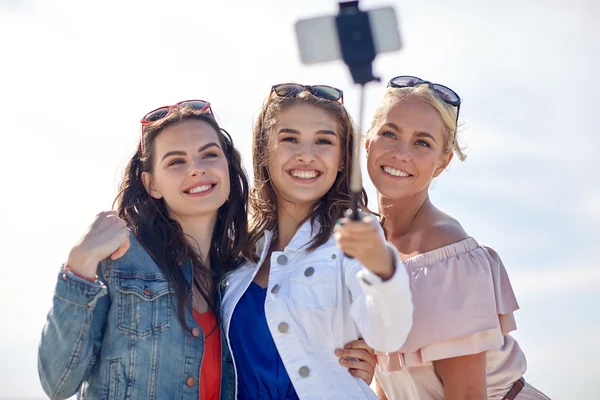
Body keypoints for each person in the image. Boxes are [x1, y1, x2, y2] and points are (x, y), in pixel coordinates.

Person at [37, 101, 248, 400]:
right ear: (151, 184)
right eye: (176, 161)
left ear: (227, 165)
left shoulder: (241, 278)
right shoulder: (119, 258)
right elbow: (57, 383)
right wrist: (80, 262)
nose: (197, 169)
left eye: (209, 155)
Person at [221, 83, 414, 399]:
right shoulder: (237, 246)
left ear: (342, 158)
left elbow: (387, 333)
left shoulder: (354, 236)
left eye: (323, 141)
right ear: (263, 151)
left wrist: (383, 269)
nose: (306, 155)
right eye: (290, 139)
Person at [362, 76, 550, 400]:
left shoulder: (447, 256)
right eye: (389, 133)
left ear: (442, 162)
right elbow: (390, 382)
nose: (401, 153)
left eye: (422, 142)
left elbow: (466, 395)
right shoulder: (363, 241)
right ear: (368, 141)